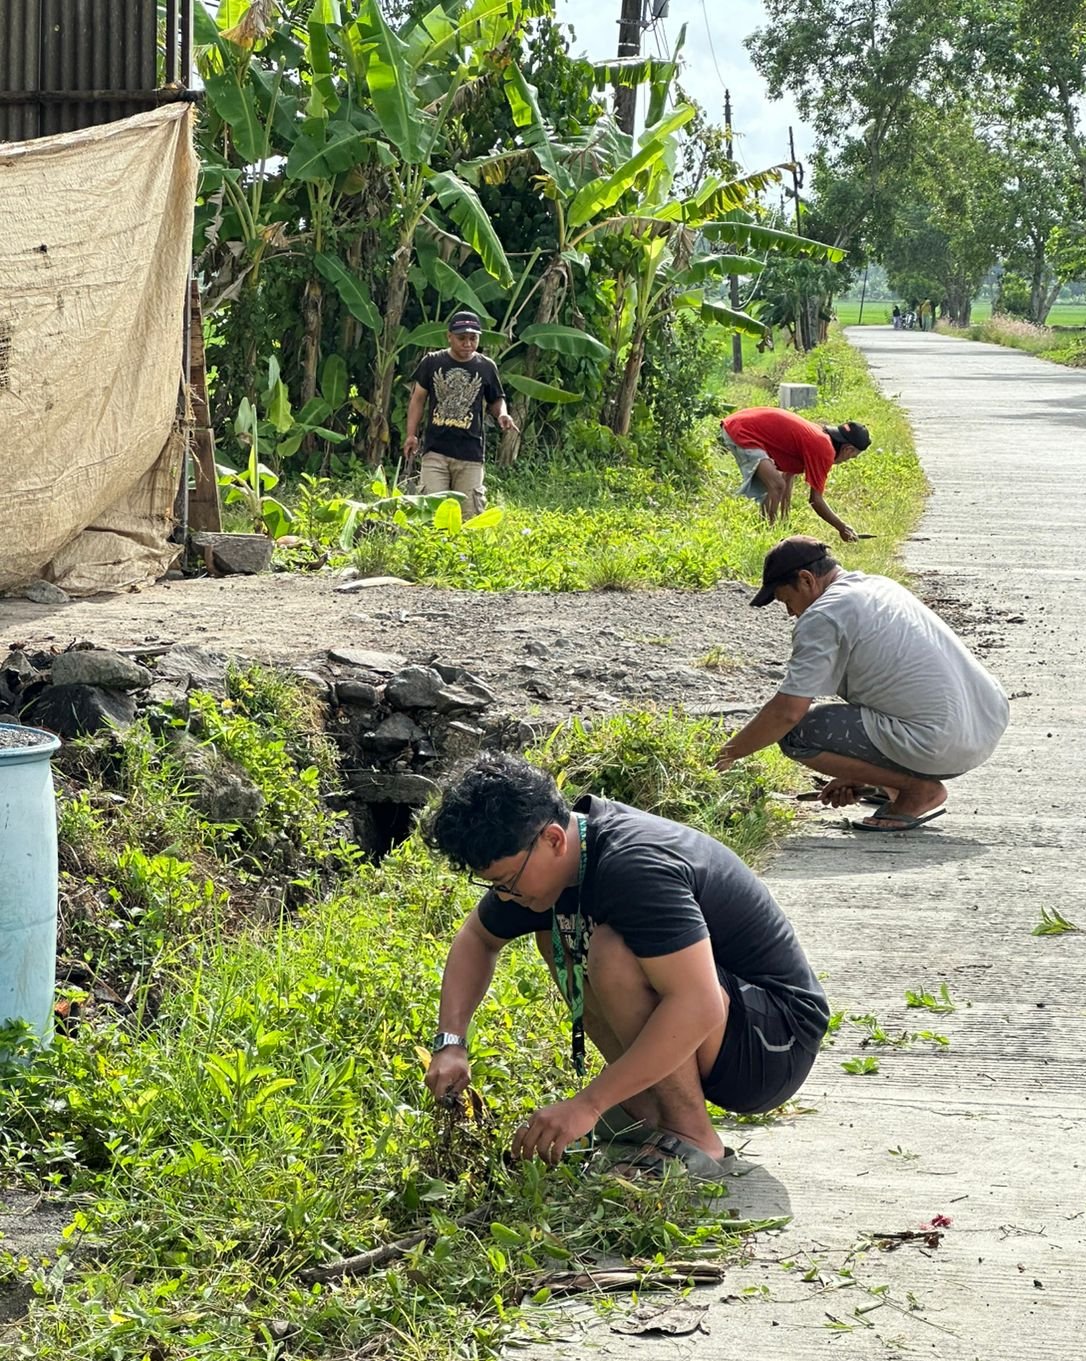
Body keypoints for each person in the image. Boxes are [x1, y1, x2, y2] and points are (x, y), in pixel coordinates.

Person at [422, 753, 829, 1178]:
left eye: (507, 882)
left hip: (775, 1046)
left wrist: (588, 1104)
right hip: (726, 1027)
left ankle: (692, 1137)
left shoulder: (634, 866)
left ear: (554, 840)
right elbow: (478, 938)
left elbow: (700, 1003)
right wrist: (451, 1041)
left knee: (612, 950)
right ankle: (646, 1113)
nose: (504, 897)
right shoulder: (556, 860)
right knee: (558, 931)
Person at [716, 536, 1009, 833]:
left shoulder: (824, 615)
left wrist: (723, 757)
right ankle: (889, 784)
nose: (791, 613)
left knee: (800, 732)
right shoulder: (878, 586)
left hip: (942, 742)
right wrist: (859, 773)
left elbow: (786, 713)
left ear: (806, 580)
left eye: (786, 601)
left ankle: (917, 790)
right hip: (984, 724)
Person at [403, 310, 515, 516]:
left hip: (470, 454)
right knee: (430, 513)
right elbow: (417, 399)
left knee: (469, 516)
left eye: (473, 338)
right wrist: (411, 435)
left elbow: (496, 399)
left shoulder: (486, 367)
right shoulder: (432, 362)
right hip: (436, 451)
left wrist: (502, 414)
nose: (468, 343)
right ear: (449, 336)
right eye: (461, 338)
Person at [719, 408, 870, 537]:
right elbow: (815, 500)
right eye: (852, 456)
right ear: (848, 449)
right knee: (776, 485)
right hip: (742, 430)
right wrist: (842, 527)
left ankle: (769, 530)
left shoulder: (818, 436)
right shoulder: (823, 448)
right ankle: (767, 536)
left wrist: (786, 520)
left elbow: (788, 476)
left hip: (739, 424)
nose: (848, 460)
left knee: (776, 485)